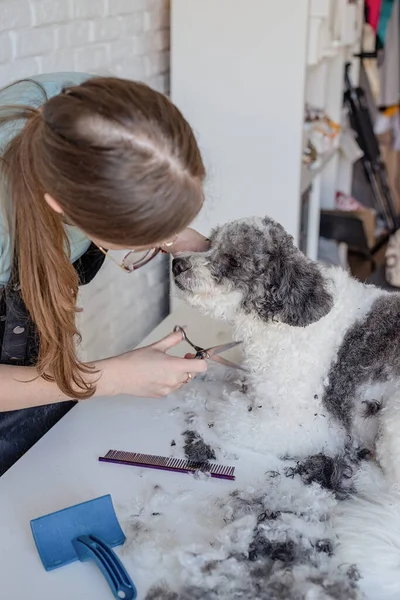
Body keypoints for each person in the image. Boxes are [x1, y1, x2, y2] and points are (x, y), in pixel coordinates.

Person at [0, 72, 210, 476]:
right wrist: (107, 378)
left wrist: (181, 233)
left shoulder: (92, 116)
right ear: (61, 207)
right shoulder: (6, 233)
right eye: (134, 244)